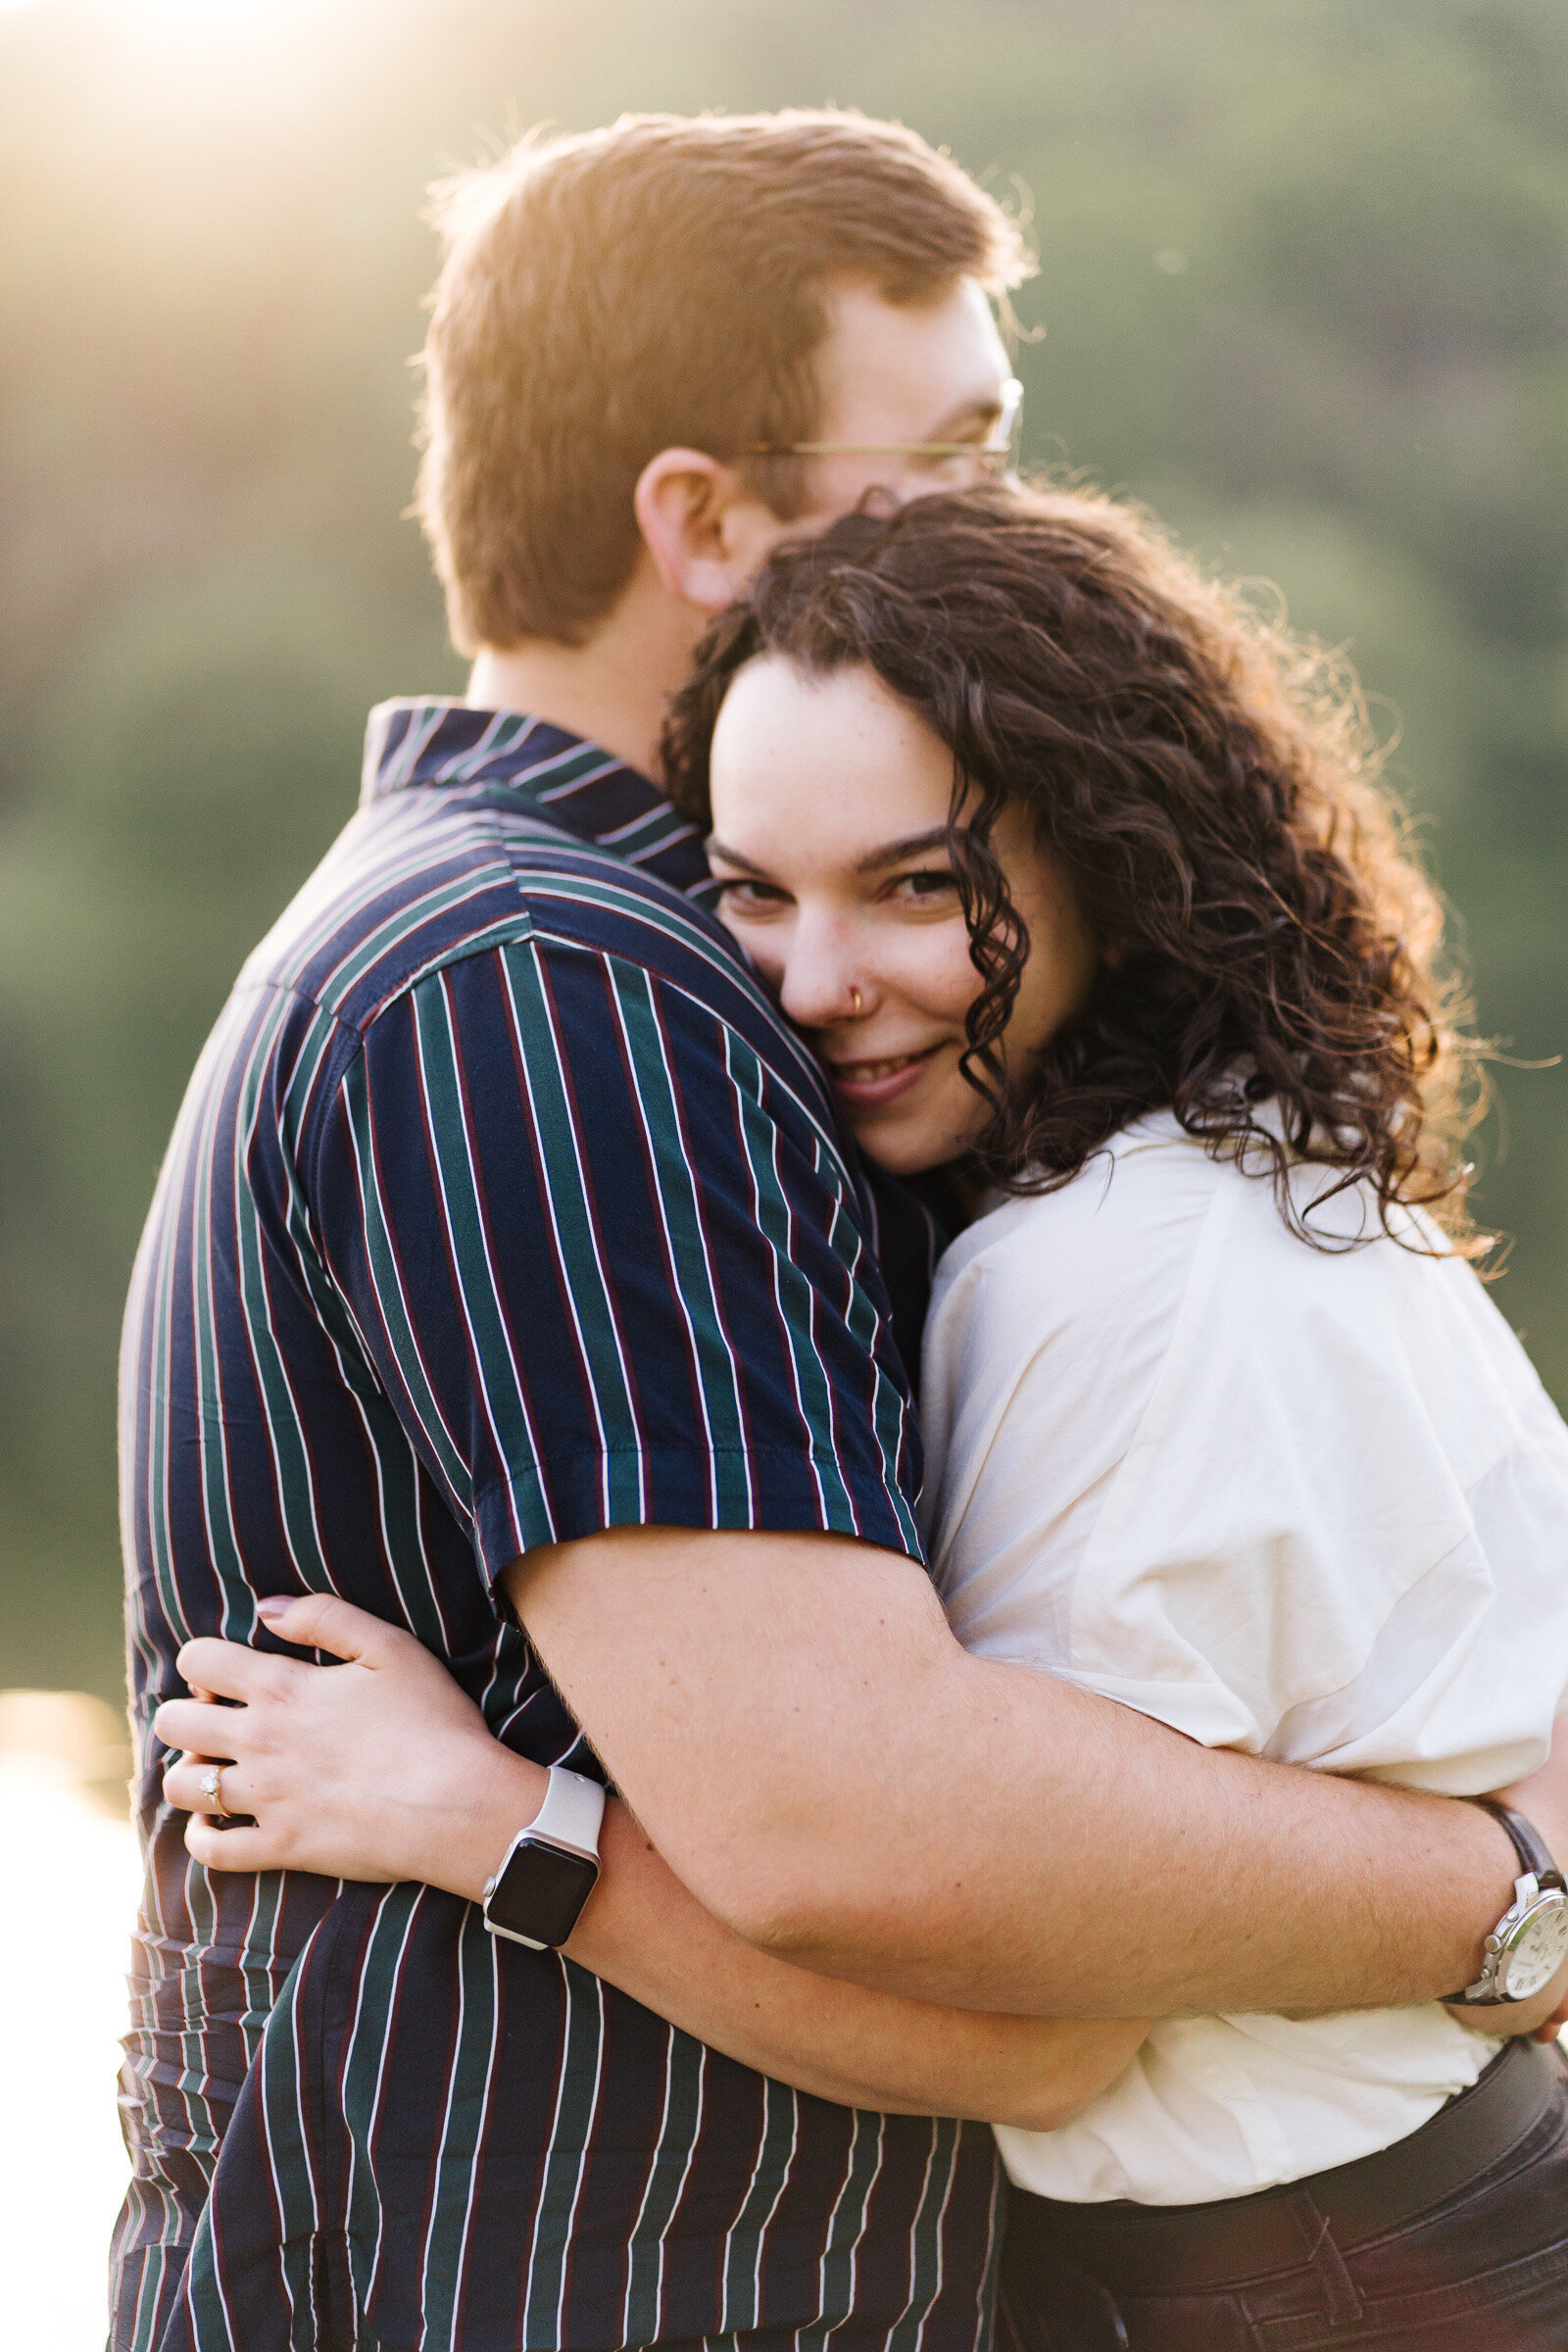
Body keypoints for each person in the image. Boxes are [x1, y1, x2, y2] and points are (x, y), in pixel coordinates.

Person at [122, 110, 1567, 2352]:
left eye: (904, 887)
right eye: (958, 461)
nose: (1015, 525)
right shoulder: (550, 982)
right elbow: (868, 1835)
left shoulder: (659, 989)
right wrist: (1507, 1890)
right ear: (700, 520)